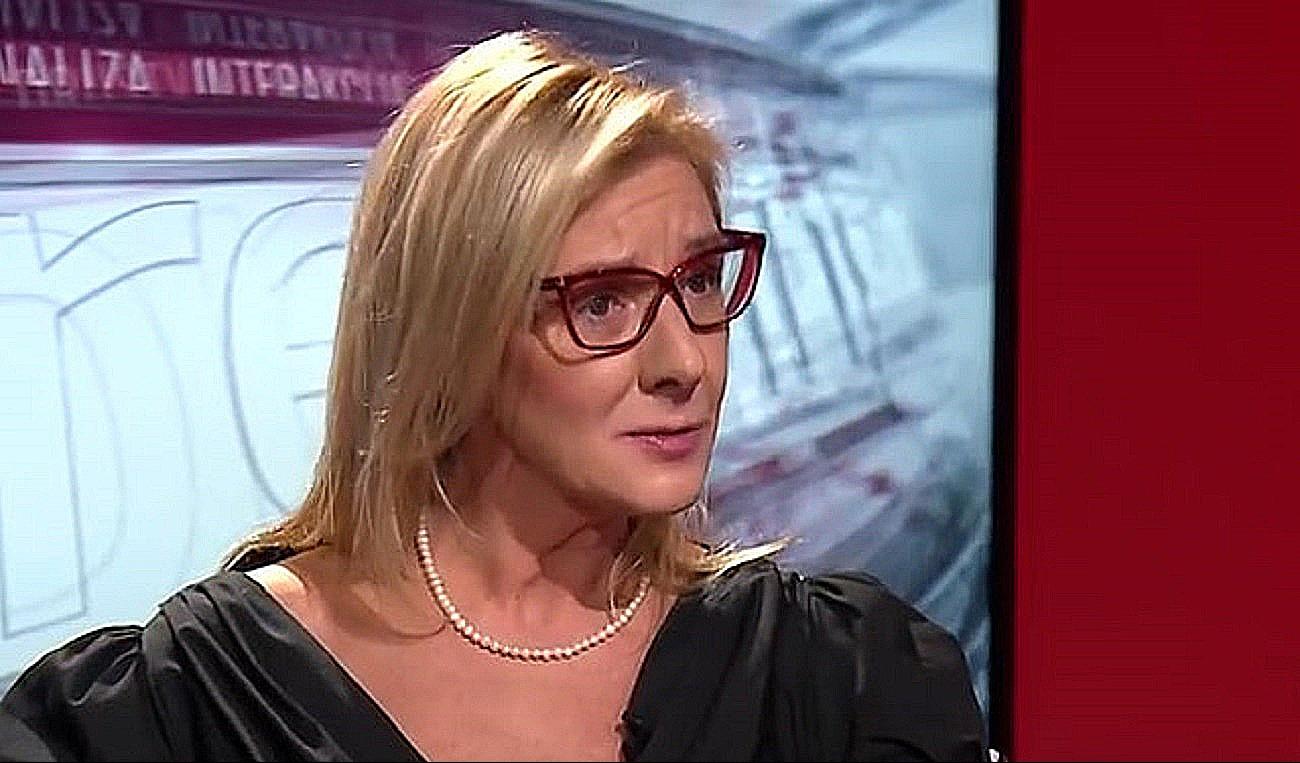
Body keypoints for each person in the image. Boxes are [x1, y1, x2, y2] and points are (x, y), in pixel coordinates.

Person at [0, 31, 989, 762]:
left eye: (697, 282)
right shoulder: (182, 711)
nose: (684, 360)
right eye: (601, 301)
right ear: (453, 326)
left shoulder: (833, 681)